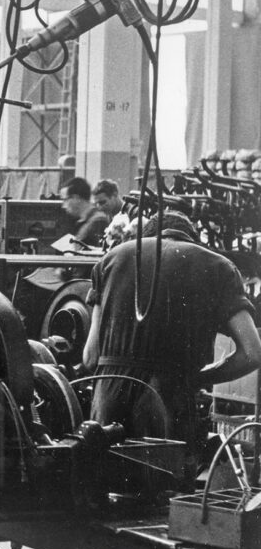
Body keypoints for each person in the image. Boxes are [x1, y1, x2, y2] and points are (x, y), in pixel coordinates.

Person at [83, 212, 261, 478]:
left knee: (104, 490)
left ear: (150, 234)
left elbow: (89, 356)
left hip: (107, 400)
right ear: (192, 237)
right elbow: (252, 352)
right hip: (167, 402)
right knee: (163, 501)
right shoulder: (218, 266)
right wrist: (199, 378)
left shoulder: (110, 259)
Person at [62, 176, 110, 248]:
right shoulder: (88, 221)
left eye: (65, 200)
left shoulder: (98, 221)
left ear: (76, 198)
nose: (64, 206)